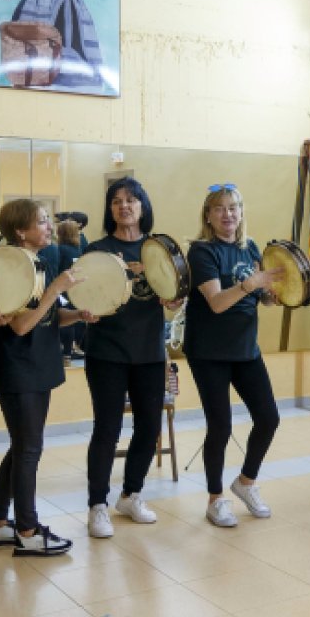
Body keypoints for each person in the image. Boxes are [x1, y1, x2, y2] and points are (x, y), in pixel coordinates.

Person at [0, 199, 88, 556]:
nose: (49, 227)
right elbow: (22, 325)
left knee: (22, 447)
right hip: (16, 368)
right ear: (20, 231)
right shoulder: (6, 265)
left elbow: (49, 316)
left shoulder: (44, 259)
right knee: (29, 449)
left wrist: (79, 315)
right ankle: (27, 530)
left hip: (40, 365)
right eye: (41, 222)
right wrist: (55, 289)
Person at [83, 178, 181, 538]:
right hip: (106, 352)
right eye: (116, 201)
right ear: (110, 210)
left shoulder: (158, 248)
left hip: (149, 352)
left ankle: (131, 494)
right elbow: (84, 293)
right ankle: (97, 505)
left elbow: (174, 295)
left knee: (149, 428)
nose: (124, 206)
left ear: (143, 205)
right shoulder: (97, 248)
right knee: (107, 429)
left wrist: (174, 300)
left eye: (131, 200)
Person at [184, 184, 282, 527]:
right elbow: (217, 303)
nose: (228, 214)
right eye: (220, 208)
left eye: (234, 207)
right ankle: (215, 499)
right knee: (221, 426)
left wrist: (275, 292)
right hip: (209, 351)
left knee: (269, 418)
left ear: (241, 212)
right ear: (208, 216)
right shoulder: (201, 252)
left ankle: (246, 483)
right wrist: (251, 285)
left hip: (245, 349)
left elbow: (262, 298)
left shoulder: (250, 247)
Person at [56, 219, 84, 360]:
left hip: (62, 289)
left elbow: (57, 269)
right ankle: (69, 349)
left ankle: (65, 350)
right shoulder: (78, 250)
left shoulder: (60, 250)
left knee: (63, 319)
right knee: (73, 319)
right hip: (75, 289)